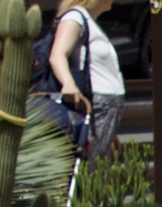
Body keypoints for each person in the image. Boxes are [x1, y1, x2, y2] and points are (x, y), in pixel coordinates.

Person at [41, 0, 122, 159]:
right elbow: (57, 55)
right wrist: (69, 84)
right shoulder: (74, 17)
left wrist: (110, 131)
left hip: (104, 110)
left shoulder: (88, 21)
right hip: (97, 104)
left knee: (98, 165)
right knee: (92, 167)